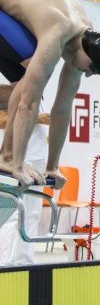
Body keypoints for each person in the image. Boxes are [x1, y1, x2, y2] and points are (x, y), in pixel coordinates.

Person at [0, 0, 100, 187]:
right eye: (92, 68)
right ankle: (7, 157)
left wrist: (52, 166)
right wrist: (17, 165)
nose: (87, 74)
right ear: (88, 53)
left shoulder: (80, 42)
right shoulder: (58, 30)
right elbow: (27, 104)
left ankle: (8, 156)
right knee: (30, 75)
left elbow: (62, 110)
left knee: (24, 81)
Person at [0, 110, 49, 265]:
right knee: (11, 212)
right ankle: (5, 263)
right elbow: (3, 119)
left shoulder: (35, 91)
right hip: (15, 156)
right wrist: (37, 117)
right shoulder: (10, 87)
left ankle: (25, 262)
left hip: (36, 155)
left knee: (32, 214)